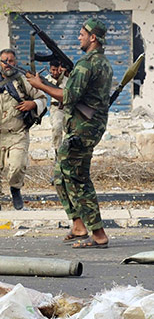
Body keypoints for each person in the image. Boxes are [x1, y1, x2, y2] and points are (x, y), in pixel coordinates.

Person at [27, 19, 112, 249]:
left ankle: (98, 233)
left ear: (93, 37)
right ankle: (78, 225)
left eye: (82, 33)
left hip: (83, 128)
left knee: (78, 177)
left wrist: (40, 84)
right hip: (87, 126)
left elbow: (69, 97)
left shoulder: (86, 64)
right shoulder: (102, 63)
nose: (79, 37)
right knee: (60, 174)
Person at [0, 49, 46, 211]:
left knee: (17, 165)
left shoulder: (24, 82)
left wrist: (33, 104)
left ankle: (15, 189)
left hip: (17, 132)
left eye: (11, 60)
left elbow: (42, 98)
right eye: (4, 60)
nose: (8, 63)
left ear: (15, 62)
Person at [46, 59, 68, 155]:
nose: (55, 72)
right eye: (53, 70)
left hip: (68, 108)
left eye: (57, 70)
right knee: (57, 127)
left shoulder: (67, 80)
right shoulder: (47, 80)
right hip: (56, 108)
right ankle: (57, 152)